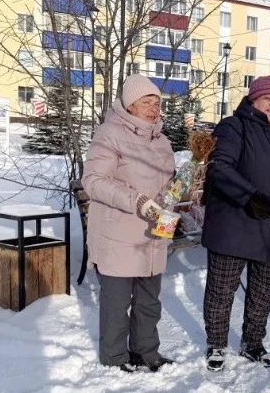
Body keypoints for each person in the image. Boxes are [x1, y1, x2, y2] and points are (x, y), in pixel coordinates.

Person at [201, 75, 270, 372]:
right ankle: (217, 343)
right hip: (233, 225)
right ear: (253, 100)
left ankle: (252, 342)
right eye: (268, 99)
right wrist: (248, 196)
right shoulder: (234, 127)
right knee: (222, 289)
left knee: (267, 289)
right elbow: (219, 166)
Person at [82, 74, 176, 373]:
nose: (153, 108)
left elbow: (167, 184)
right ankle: (114, 358)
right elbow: (94, 181)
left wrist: (176, 195)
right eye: (146, 102)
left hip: (153, 233)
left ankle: (146, 352)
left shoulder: (160, 140)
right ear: (129, 104)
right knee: (116, 303)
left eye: (157, 102)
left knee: (149, 301)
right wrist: (137, 200)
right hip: (118, 233)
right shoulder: (109, 133)